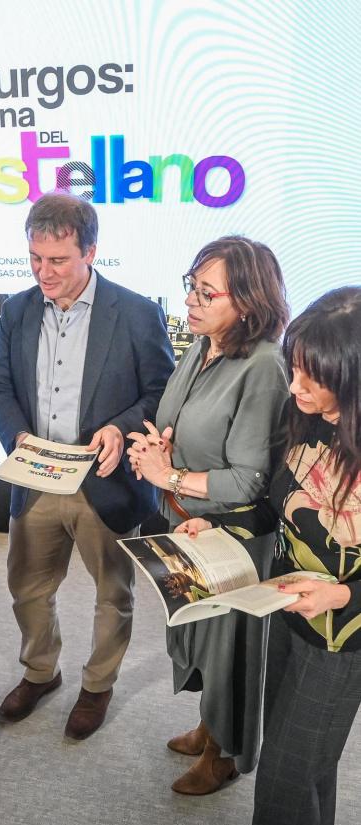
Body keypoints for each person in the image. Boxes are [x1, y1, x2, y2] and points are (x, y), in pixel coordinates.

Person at [178, 286, 361, 825]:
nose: (297, 381)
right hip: (285, 605)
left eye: (316, 374)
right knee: (310, 756)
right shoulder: (306, 417)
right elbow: (274, 503)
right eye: (297, 364)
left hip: (342, 639)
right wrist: (221, 526)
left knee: (284, 773)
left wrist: (344, 593)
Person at [0, 193, 175, 739]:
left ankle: (97, 686)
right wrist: (17, 436)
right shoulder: (17, 309)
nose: (43, 273)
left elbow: (160, 394)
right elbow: (1, 388)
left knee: (112, 595)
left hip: (106, 481)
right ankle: (41, 672)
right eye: (35, 259)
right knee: (27, 587)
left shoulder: (138, 313)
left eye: (58, 261)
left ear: (91, 251)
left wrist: (122, 426)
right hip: (37, 479)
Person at [127, 236, 289, 793]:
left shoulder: (264, 365)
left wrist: (164, 475)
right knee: (199, 634)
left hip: (235, 533)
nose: (191, 302)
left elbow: (249, 479)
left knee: (228, 648)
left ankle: (223, 753)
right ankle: (208, 726)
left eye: (206, 292)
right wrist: (158, 450)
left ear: (245, 302)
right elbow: (182, 424)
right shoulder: (202, 346)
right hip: (188, 519)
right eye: (190, 288)